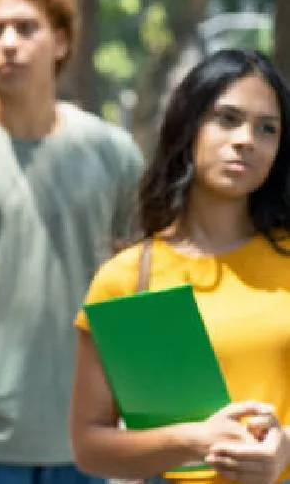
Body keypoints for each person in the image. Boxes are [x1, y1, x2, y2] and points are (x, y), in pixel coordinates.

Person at [0, 0, 144, 484]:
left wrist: (141, 431)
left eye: (27, 28)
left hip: (89, 438)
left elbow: (141, 292)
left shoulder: (113, 154)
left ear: (62, 41)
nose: (9, 43)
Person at [71, 49, 290, 484]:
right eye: (227, 119)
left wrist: (285, 448)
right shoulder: (130, 278)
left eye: (267, 128)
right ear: (188, 127)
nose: (246, 138)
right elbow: (90, 445)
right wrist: (194, 440)